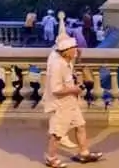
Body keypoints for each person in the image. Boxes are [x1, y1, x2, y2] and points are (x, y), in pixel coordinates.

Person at [42, 36, 103, 166]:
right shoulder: (57, 66)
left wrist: (77, 56)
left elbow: (59, 47)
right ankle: (50, 158)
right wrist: (75, 89)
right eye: (74, 48)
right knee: (57, 133)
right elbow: (56, 89)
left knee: (80, 125)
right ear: (66, 50)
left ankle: (84, 153)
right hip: (61, 104)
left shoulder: (63, 58)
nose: (76, 49)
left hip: (70, 102)